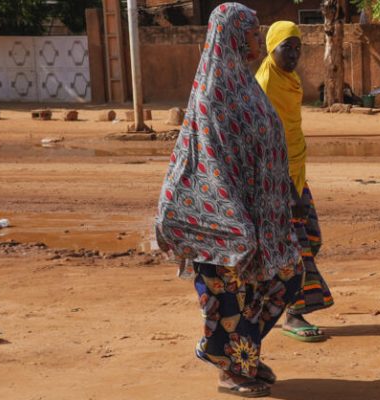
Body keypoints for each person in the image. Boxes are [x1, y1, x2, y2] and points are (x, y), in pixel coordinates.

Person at [155, 3, 301, 397]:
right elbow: (210, 166)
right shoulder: (212, 95)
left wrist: (286, 191)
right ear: (233, 36)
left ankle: (241, 356)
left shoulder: (244, 82)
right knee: (232, 299)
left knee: (285, 279)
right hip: (221, 224)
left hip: (262, 218)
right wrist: (237, 223)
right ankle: (231, 370)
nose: (258, 40)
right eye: (253, 34)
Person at [255, 21, 334, 343]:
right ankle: (293, 314)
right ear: (271, 47)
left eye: (298, 48)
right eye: (287, 47)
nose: (293, 54)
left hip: (296, 175)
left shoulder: (291, 81)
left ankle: (267, 304)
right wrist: (278, 179)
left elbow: (291, 130)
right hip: (276, 180)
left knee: (311, 238)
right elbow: (262, 138)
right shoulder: (263, 85)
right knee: (296, 247)